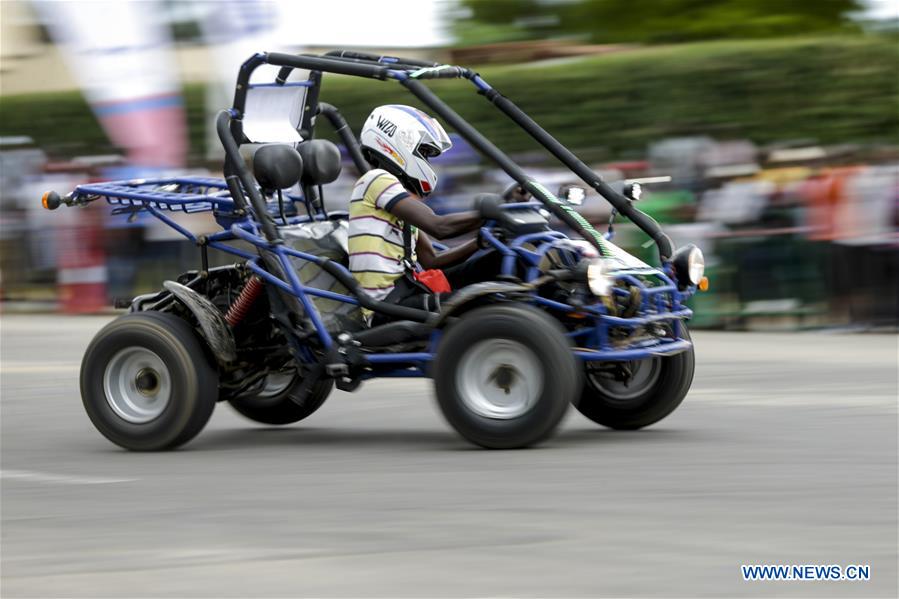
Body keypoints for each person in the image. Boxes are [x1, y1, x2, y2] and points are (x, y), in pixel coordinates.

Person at [348, 105, 502, 319]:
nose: (427, 162)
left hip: (410, 290)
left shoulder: (396, 198)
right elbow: (440, 227)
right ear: (399, 142)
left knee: (501, 261)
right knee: (495, 301)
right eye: (424, 153)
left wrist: (481, 242)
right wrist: (496, 211)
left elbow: (431, 260)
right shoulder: (376, 180)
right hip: (388, 306)